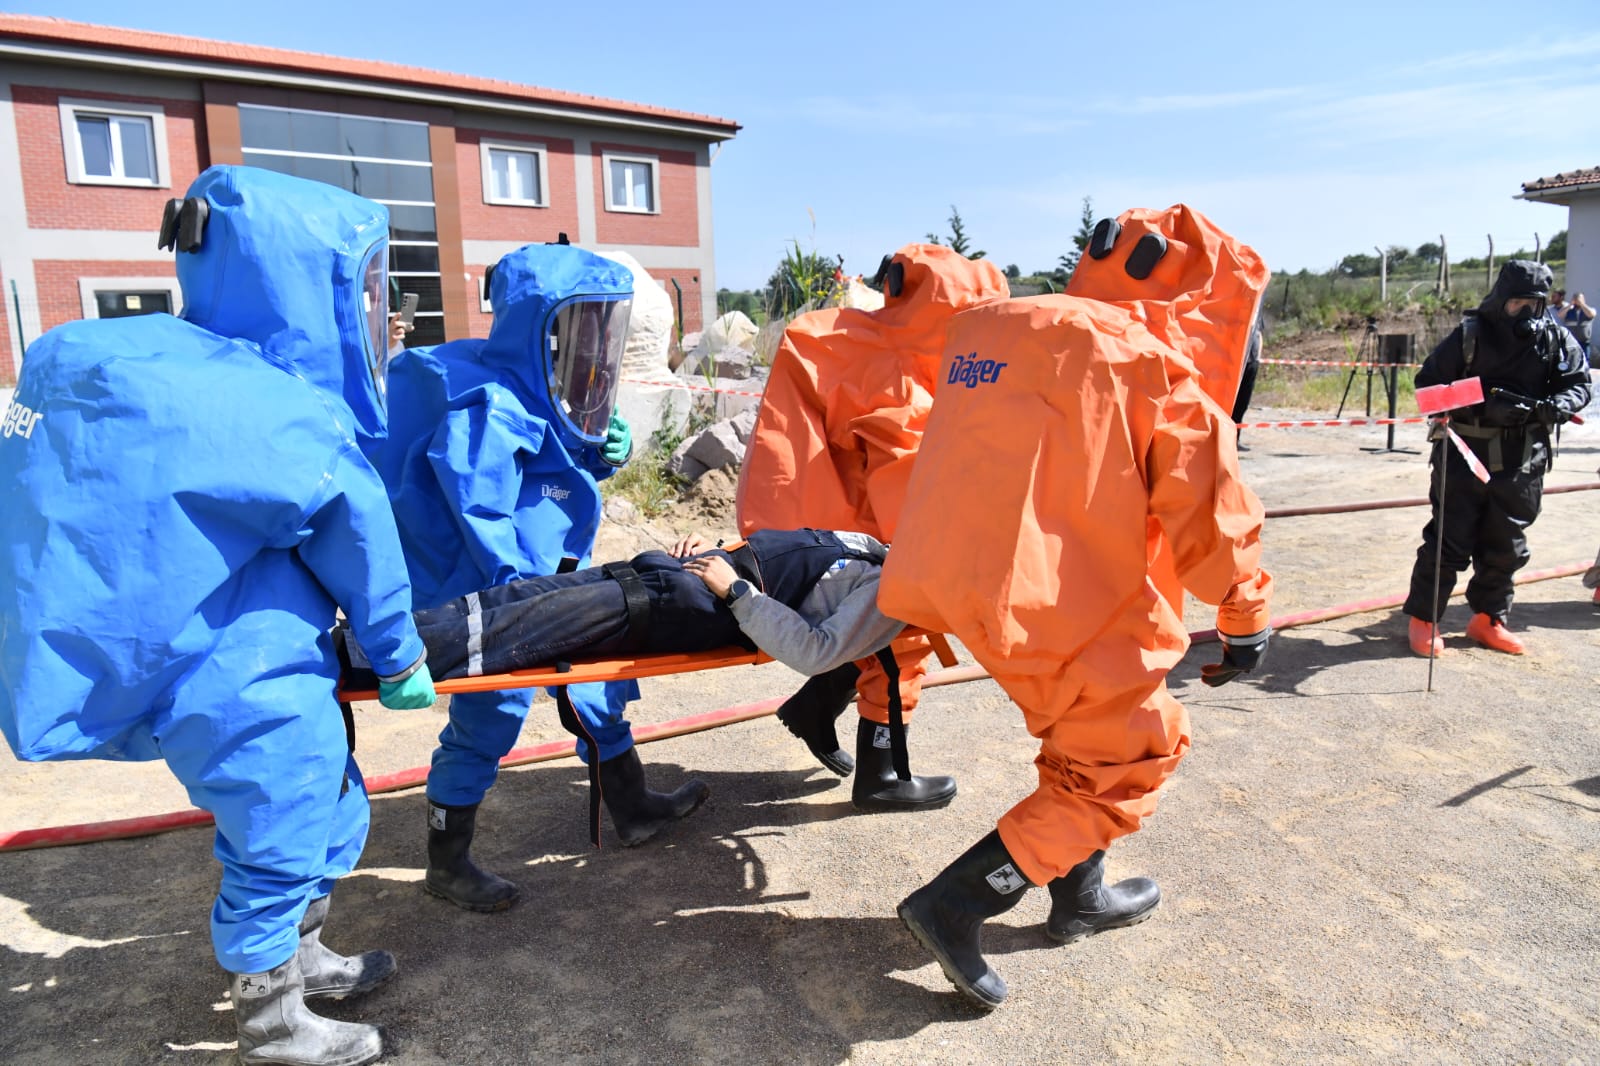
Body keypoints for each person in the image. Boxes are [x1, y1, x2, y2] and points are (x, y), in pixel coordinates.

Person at [0, 165, 435, 1066]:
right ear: (306, 279)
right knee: (284, 820)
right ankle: (274, 1024)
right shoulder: (279, 408)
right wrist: (398, 657)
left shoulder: (125, 362)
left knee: (319, 803)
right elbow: (357, 535)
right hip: (250, 672)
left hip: (188, 650)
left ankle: (304, 958)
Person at [878, 205, 1274, 1009]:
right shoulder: (1151, 358)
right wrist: (1246, 619)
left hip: (953, 573)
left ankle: (1081, 896)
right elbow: (1211, 514)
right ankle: (958, 902)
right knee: (1127, 762)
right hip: (1052, 595)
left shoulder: (996, 324)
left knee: (1085, 735)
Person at [367, 240, 690, 914]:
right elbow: (480, 508)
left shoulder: (535, 387)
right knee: (494, 708)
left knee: (596, 678)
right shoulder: (490, 404)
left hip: (540, 580)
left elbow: (556, 465)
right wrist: (524, 600)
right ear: (538, 328)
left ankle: (632, 806)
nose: (594, 343)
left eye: (601, 325)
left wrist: (602, 454)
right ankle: (447, 863)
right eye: (581, 324)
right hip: (486, 588)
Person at [735, 242, 1010, 810]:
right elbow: (907, 481)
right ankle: (882, 775)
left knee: (889, 621)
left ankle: (815, 709)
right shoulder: (899, 372)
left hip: (801, 531)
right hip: (833, 539)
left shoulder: (839, 339)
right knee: (905, 626)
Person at [337, 526, 903, 699]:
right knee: (507, 600)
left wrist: (735, 591)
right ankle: (366, 638)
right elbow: (782, 560)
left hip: (694, 610)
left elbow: (817, 654)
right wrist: (716, 548)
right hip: (678, 575)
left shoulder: (891, 591)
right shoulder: (871, 544)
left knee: (518, 630)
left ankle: (358, 662)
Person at [1402, 260, 1591, 656]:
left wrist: (1554, 406)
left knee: (1507, 543)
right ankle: (1424, 619)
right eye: (1516, 303)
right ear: (1501, 299)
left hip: (1523, 458)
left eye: (1533, 304)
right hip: (1465, 452)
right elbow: (1428, 388)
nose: (1524, 312)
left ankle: (1489, 619)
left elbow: (1579, 384)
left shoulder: (1554, 338)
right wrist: (1482, 403)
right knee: (1448, 539)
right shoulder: (1470, 334)